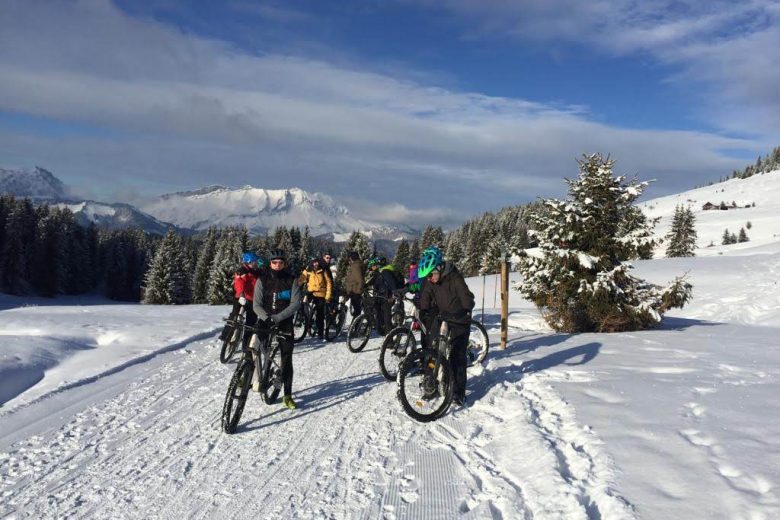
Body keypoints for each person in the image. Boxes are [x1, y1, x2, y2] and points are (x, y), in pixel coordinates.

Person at [418, 246, 475, 407]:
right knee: (433, 350)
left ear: (439, 267)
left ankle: (458, 392)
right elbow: (426, 296)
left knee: (457, 355)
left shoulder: (455, 278)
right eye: (427, 277)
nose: (430, 279)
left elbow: (468, 300)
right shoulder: (431, 280)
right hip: (443, 317)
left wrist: (464, 312)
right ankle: (432, 385)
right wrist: (423, 310)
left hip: (460, 318)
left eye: (432, 275)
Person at [253, 249, 302, 410]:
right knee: (253, 347)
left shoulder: (291, 280)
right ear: (270, 263)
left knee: (286, 358)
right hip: (265, 319)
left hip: (284, 322)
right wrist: (266, 318)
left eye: (280, 262)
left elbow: (295, 303)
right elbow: (256, 304)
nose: (277, 265)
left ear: (284, 264)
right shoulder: (262, 280)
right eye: (274, 262)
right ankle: (248, 375)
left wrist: (278, 318)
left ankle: (287, 395)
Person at [221, 252, 264, 347]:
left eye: (255, 262)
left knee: (251, 322)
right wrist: (241, 294)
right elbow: (239, 283)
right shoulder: (242, 271)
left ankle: (246, 343)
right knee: (234, 316)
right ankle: (226, 336)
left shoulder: (257, 271)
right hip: (241, 298)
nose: (255, 263)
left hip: (253, 300)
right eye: (254, 262)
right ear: (249, 262)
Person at [298, 257, 333, 340]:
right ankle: (304, 318)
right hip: (310, 292)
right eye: (314, 263)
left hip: (321, 293)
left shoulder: (323, 270)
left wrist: (328, 295)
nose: (315, 265)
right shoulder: (308, 270)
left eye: (317, 263)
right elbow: (301, 279)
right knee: (302, 303)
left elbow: (329, 283)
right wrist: (296, 287)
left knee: (319, 313)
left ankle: (320, 332)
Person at [344, 252, 365, 317]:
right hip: (353, 290)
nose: (349, 260)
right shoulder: (356, 265)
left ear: (352, 258)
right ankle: (355, 325)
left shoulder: (355, 266)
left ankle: (356, 326)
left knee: (356, 310)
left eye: (349, 258)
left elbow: (360, 280)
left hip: (354, 291)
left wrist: (358, 292)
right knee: (356, 310)